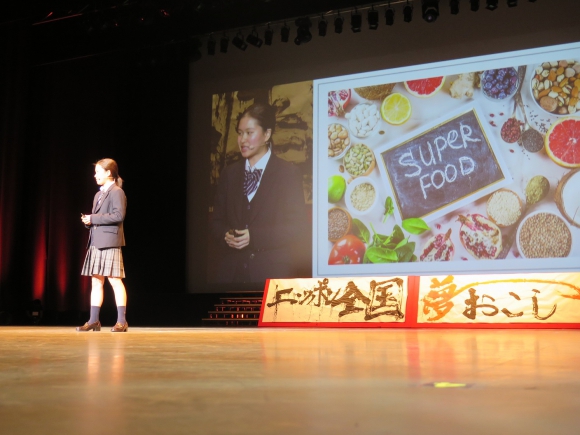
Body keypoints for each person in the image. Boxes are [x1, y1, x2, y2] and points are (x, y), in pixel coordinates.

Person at [211, 102, 308, 283]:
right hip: (230, 275)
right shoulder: (229, 173)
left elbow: (297, 228)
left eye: (249, 133)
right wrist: (225, 234)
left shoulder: (287, 173)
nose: (242, 140)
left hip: (272, 274)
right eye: (240, 133)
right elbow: (216, 222)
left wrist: (254, 237)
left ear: (267, 134)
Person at [77, 158, 129, 332]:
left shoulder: (117, 192)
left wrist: (94, 218)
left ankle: (122, 321)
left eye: (98, 172)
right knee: (96, 282)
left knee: (115, 281)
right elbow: (98, 217)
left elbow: (118, 216)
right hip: (96, 241)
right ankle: (93, 320)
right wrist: (88, 221)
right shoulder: (98, 195)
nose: (95, 175)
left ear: (108, 173)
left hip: (110, 242)